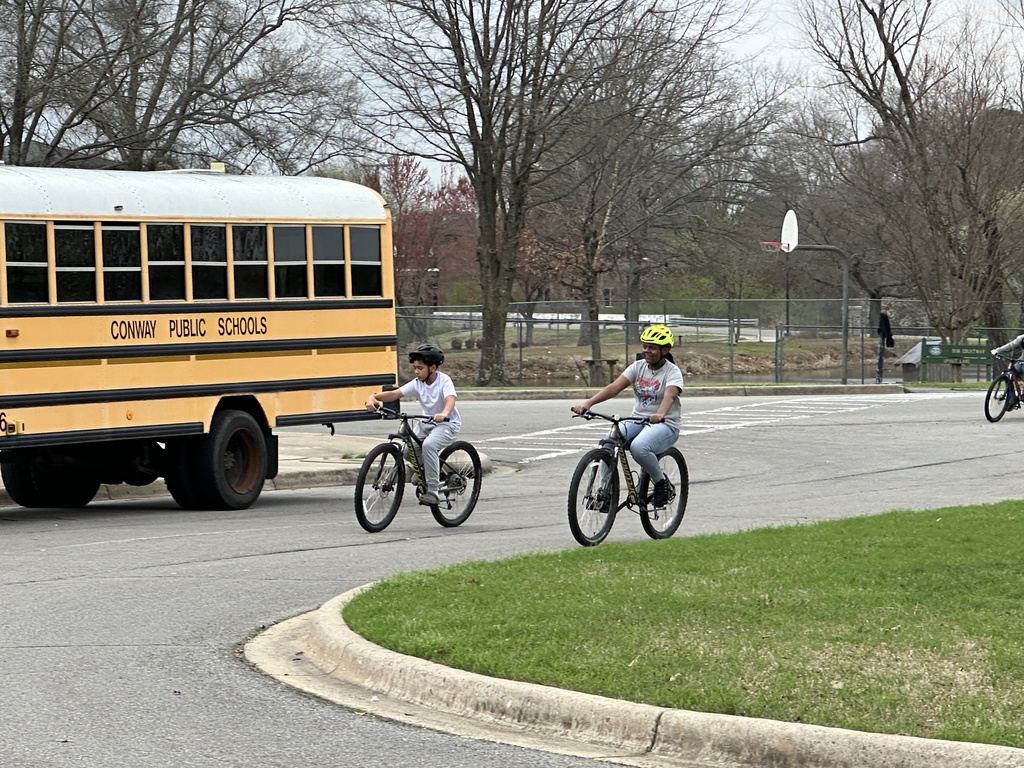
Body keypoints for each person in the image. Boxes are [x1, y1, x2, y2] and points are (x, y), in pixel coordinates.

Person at [571, 324, 684, 507]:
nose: (647, 351)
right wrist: (588, 404)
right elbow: (614, 388)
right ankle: (604, 494)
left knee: (640, 447)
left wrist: (660, 414)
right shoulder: (638, 367)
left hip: (665, 424)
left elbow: (670, 395)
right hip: (638, 419)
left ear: (665, 350)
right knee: (608, 441)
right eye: (645, 346)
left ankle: (661, 483)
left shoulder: (672, 372)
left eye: (652, 348)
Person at [365, 343, 461, 506]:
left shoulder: (444, 381)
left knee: (429, 445)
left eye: (420, 368)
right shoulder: (417, 383)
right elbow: (395, 393)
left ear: (433, 368)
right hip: (426, 422)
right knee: (407, 452)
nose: (416, 371)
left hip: (447, 424)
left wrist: (444, 413)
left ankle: (433, 491)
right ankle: (427, 470)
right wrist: (373, 398)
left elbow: (450, 399)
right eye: (415, 367)